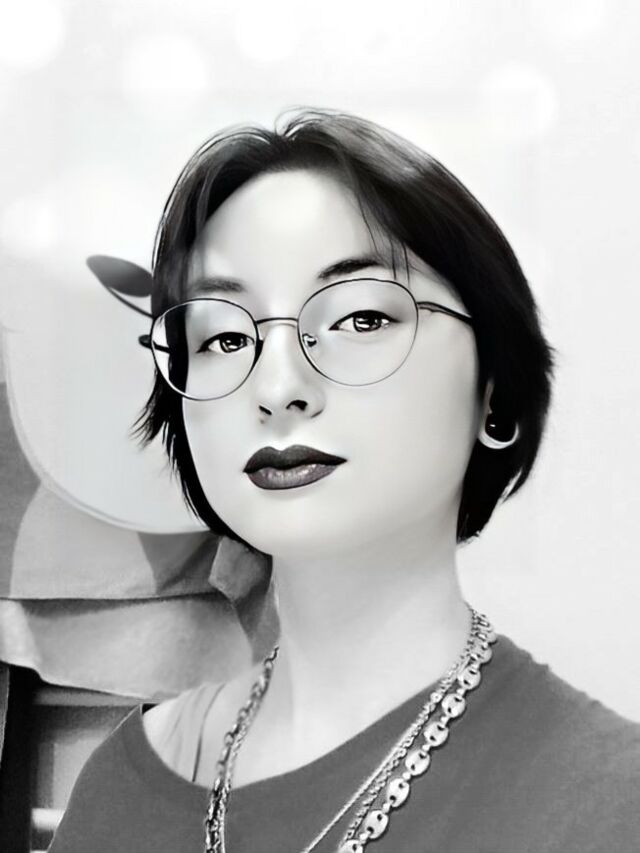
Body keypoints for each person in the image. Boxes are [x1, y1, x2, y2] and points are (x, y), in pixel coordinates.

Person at [48, 107, 640, 853]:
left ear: (495, 392)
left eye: (360, 319)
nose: (277, 387)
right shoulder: (117, 791)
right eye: (224, 336)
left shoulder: (610, 804)